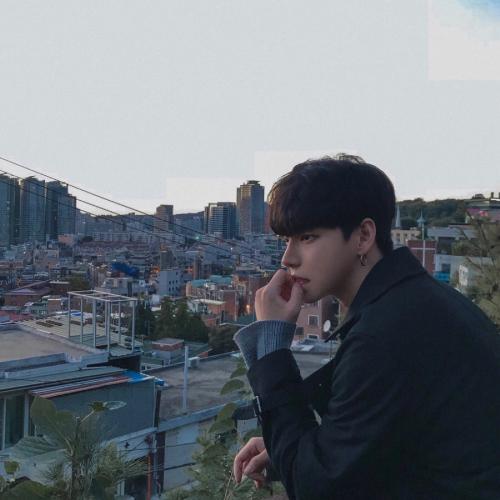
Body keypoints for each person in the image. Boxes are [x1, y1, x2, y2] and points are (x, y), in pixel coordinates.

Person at [232, 154, 500, 500]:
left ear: (363, 236)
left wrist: (271, 342)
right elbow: (389, 442)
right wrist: (293, 448)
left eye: (307, 237)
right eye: (287, 239)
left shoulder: (385, 333)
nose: (288, 258)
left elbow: (316, 487)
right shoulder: (418, 302)